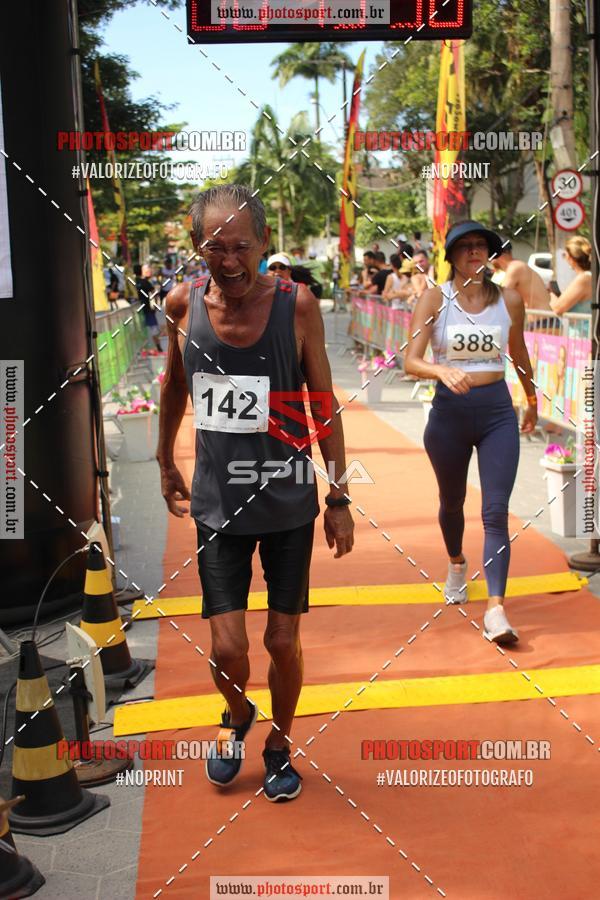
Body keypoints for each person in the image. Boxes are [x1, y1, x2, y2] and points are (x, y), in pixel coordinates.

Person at [157, 184, 354, 801]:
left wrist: (339, 496)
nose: (230, 259)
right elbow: (173, 388)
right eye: (216, 246)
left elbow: (322, 404)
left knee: (281, 640)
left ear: (265, 244)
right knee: (227, 645)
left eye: (242, 245)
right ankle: (237, 713)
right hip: (218, 506)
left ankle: (277, 743)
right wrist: (164, 459)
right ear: (197, 247)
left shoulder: (297, 307)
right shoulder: (183, 304)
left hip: (289, 502)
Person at [404, 220, 537, 645]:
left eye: (482, 246)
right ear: (453, 256)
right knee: (452, 502)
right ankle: (457, 562)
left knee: (496, 511)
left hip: (497, 412)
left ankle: (496, 610)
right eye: (465, 246)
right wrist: (441, 369)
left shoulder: (510, 300)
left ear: (491, 254)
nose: (475, 252)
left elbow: (520, 355)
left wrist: (532, 401)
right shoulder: (433, 299)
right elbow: (410, 360)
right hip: (448, 416)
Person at [491, 241, 554, 325]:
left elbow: (499, 297)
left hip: (544, 322)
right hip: (543, 321)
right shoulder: (517, 266)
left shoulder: (515, 268)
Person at [549, 236, 592, 335]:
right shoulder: (590, 277)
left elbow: (558, 308)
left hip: (582, 338)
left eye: (565, 255)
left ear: (570, 257)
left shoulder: (584, 279)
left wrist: (551, 294)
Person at [134, 264, 162, 351]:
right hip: (147, 310)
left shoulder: (136, 281)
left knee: (143, 330)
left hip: (141, 310)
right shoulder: (144, 282)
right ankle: (157, 347)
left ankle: (145, 348)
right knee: (153, 329)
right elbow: (155, 294)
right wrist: (156, 305)